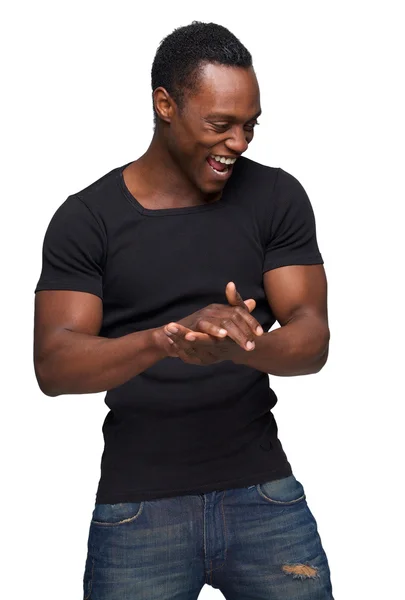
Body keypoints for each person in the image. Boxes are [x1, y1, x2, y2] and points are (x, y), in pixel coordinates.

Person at [34, 20, 334, 600]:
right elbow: (55, 364)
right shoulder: (88, 219)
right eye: (219, 124)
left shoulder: (277, 198)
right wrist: (165, 340)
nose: (240, 142)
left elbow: (312, 338)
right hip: (137, 509)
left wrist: (244, 344)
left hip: (264, 496)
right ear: (165, 104)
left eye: (250, 126)